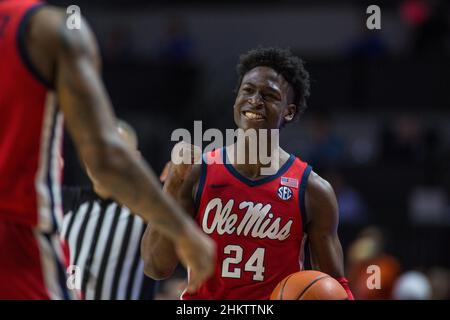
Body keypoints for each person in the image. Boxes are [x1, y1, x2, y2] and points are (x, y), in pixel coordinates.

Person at [0, 0, 214, 299]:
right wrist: (186, 234)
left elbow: (157, 266)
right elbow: (107, 157)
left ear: (137, 158)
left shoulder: (140, 215)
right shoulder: (54, 29)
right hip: (16, 233)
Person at [141, 47, 354, 300]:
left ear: (289, 111)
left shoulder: (313, 190)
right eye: (248, 90)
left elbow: (336, 289)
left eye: (269, 95)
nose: (255, 100)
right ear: (236, 101)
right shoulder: (197, 172)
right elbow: (155, 267)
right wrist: (174, 184)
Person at [61, 121, 157, 300]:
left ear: (135, 159)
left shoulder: (149, 212)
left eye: (116, 151)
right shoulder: (64, 201)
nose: (103, 160)